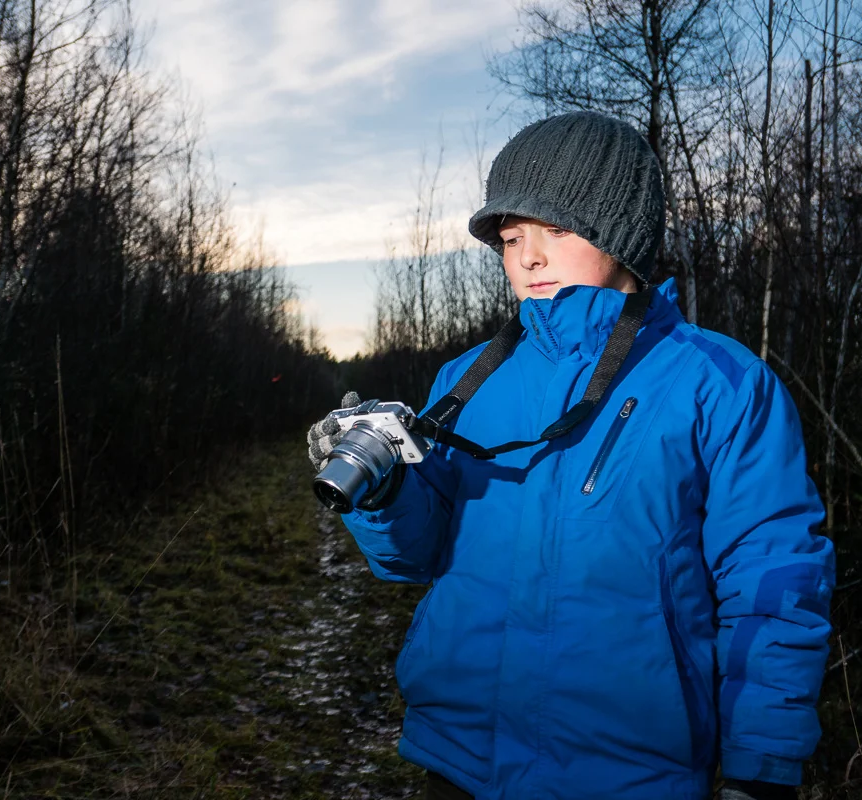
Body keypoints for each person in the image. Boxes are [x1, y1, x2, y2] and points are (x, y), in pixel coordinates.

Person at [306, 112, 835, 800]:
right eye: (511, 238)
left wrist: (759, 767)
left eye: (555, 230)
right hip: (461, 757)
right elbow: (416, 558)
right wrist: (384, 493)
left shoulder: (720, 383)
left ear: (621, 235)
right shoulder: (466, 380)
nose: (528, 256)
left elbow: (771, 579)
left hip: (630, 770)